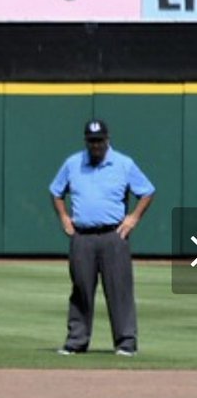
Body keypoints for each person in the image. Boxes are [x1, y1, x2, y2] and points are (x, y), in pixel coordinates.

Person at [49, 118, 155, 357]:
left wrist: (133, 218)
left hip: (113, 235)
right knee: (81, 289)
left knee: (120, 290)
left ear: (107, 139)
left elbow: (147, 191)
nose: (95, 146)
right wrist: (64, 217)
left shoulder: (123, 164)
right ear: (86, 141)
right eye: (91, 141)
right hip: (83, 235)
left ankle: (126, 342)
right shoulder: (73, 163)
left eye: (99, 141)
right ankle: (76, 341)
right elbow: (56, 191)